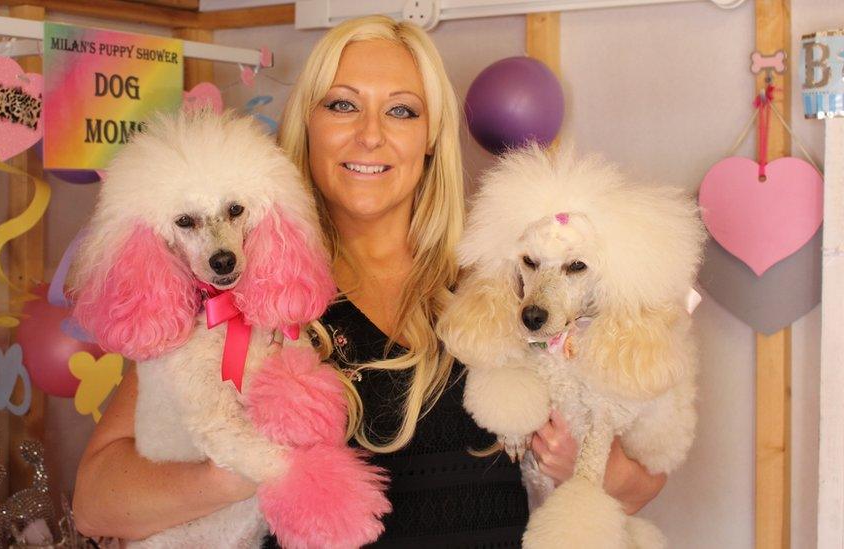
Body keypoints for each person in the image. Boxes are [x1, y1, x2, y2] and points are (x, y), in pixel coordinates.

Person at [72, 15, 667, 545]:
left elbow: (639, 486)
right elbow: (96, 502)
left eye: (402, 110)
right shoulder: (236, 291)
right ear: (308, 124)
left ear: (431, 140)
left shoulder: (502, 285)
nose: (371, 135)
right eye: (342, 104)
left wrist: (589, 468)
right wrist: (226, 475)